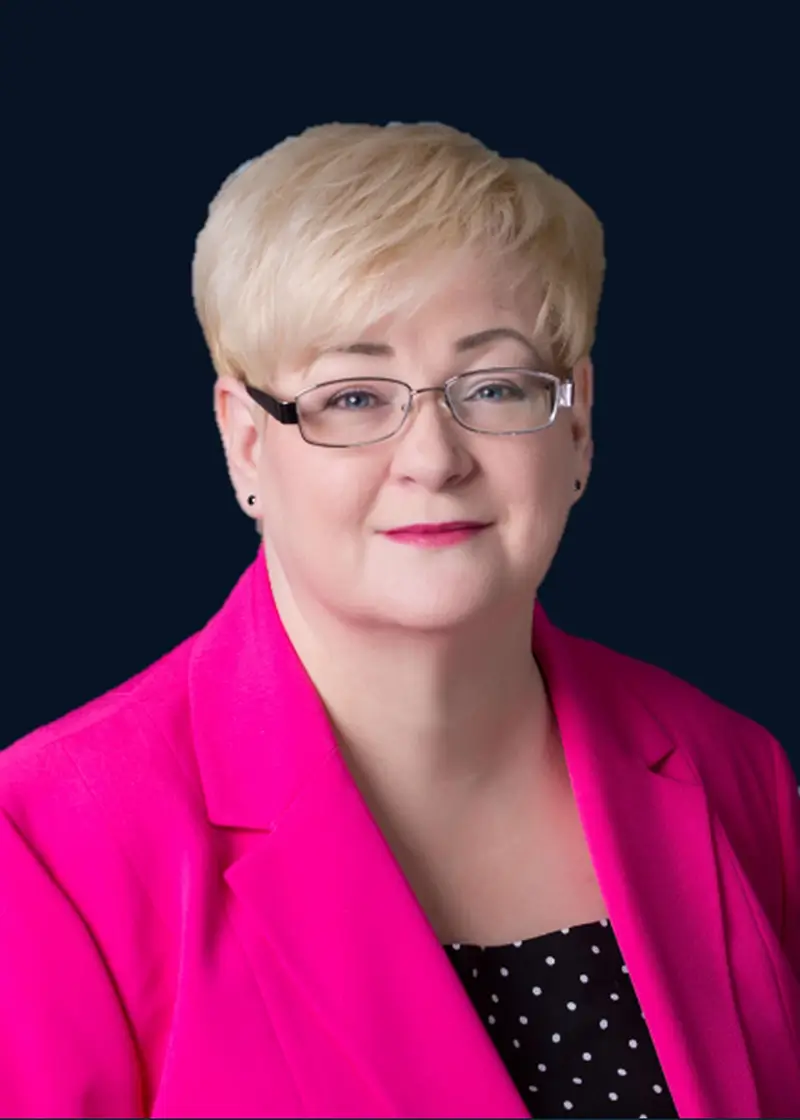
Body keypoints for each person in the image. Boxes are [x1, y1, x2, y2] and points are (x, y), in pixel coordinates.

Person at [0, 121, 798, 1120]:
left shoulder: (733, 770)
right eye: (352, 397)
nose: (433, 459)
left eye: (493, 387)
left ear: (579, 420)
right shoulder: (47, 845)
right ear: (245, 442)